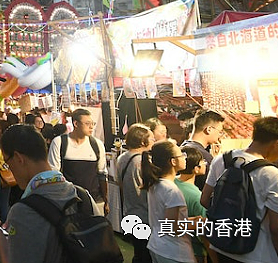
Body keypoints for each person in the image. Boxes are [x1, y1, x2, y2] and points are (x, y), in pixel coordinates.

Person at [0, 124, 102, 263]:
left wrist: (0, 239)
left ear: (18, 158)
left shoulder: (23, 211)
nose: (11, 171)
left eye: (8, 164)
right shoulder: (83, 196)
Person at [200, 116, 278, 263]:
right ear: (276, 144)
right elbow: (275, 228)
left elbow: (204, 200)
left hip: (221, 245)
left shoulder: (222, 158)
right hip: (255, 254)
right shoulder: (271, 174)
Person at [141, 141, 196, 263]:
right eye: (181, 155)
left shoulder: (156, 184)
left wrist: (191, 220)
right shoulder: (172, 191)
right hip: (174, 252)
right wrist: (197, 224)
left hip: (158, 246)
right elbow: (172, 227)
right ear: (173, 161)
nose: (185, 158)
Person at [48, 108, 109, 214]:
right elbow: (54, 174)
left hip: (94, 200)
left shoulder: (97, 144)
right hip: (69, 201)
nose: (91, 127)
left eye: (92, 123)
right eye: (87, 123)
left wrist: (106, 200)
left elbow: (102, 174)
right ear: (76, 123)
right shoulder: (60, 142)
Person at [116, 123, 155, 263]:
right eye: (152, 139)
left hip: (130, 212)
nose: (153, 142)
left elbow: (120, 184)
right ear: (143, 141)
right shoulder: (142, 161)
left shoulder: (122, 158)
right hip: (145, 214)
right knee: (145, 255)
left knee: (139, 252)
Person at [174, 146, 208, 263]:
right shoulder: (197, 196)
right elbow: (203, 231)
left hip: (173, 246)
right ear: (196, 169)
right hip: (193, 250)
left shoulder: (170, 182)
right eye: (203, 162)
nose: (205, 164)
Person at [181, 110, 224, 190]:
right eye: (220, 131)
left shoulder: (183, 147)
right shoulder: (203, 156)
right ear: (209, 129)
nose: (220, 135)